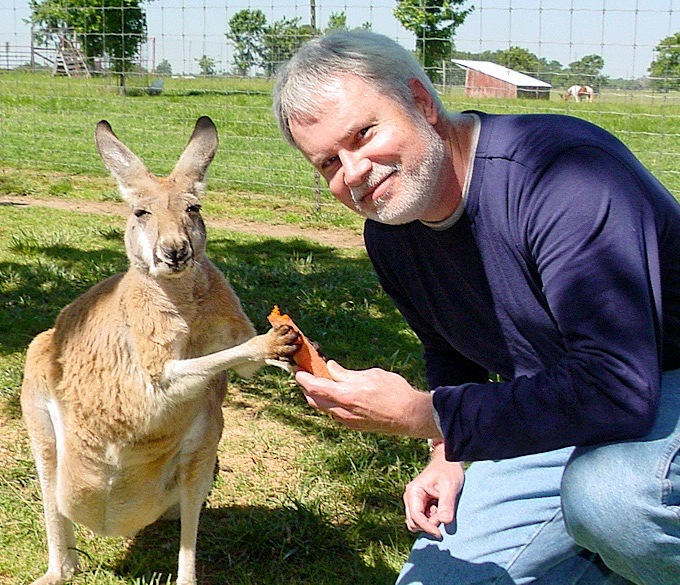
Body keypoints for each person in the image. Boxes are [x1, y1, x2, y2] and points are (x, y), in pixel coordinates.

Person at [272, 30, 680, 585]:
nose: (355, 171)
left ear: (421, 102)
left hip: (655, 385)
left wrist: (427, 415)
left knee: (611, 500)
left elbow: (618, 386)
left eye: (364, 134)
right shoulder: (391, 230)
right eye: (328, 164)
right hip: (569, 405)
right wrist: (446, 453)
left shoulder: (561, 172)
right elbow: (449, 344)